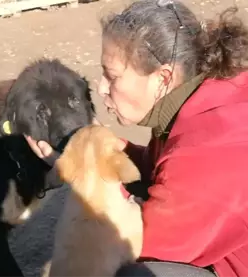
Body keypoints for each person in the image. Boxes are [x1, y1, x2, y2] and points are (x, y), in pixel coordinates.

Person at [24, 1, 248, 276]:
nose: (101, 87)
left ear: (163, 78)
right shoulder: (205, 99)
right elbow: (165, 172)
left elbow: (137, 244)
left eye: (112, 76)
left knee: (130, 272)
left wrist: (89, 173)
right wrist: (104, 147)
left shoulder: (211, 150)